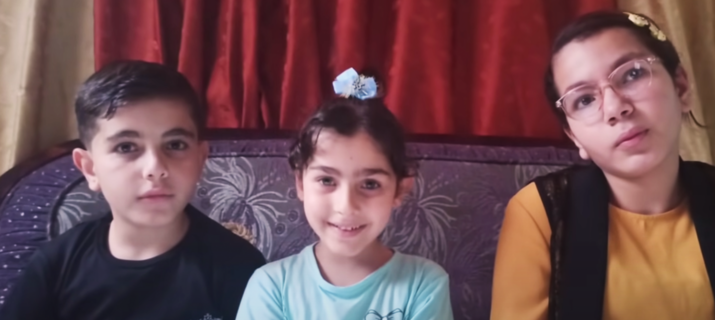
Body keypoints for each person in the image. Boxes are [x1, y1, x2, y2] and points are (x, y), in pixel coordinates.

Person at [490, 11, 715, 320]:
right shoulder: (540, 214)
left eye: (632, 74)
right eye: (584, 100)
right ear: (574, 137)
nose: (615, 108)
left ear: (681, 87)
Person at [0, 60, 266, 320]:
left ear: (200, 159)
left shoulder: (239, 267)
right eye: (126, 147)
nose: (155, 168)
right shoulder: (56, 264)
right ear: (90, 169)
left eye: (175, 145)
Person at [235, 68, 453, 320]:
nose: (346, 206)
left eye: (370, 184)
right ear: (301, 184)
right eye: (327, 180)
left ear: (400, 189)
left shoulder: (423, 285)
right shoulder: (272, 286)